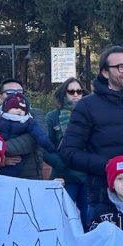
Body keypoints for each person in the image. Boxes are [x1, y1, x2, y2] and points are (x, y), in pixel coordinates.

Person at [60, 45, 123, 211]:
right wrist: (109, 165)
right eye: (121, 67)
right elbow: (69, 153)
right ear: (105, 72)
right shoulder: (87, 106)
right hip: (102, 196)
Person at [45, 79, 90, 226]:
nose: (76, 95)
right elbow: (46, 149)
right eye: (71, 91)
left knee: (88, 220)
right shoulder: (52, 117)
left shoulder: (91, 115)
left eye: (79, 91)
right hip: (63, 176)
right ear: (64, 94)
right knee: (62, 220)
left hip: (87, 175)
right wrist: (62, 165)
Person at [0, 93, 58, 180]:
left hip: (19, 159)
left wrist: (50, 148)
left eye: (22, 109)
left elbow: (40, 136)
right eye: (16, 108)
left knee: (14, 169)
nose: (19, 111)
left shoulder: (28, 121)